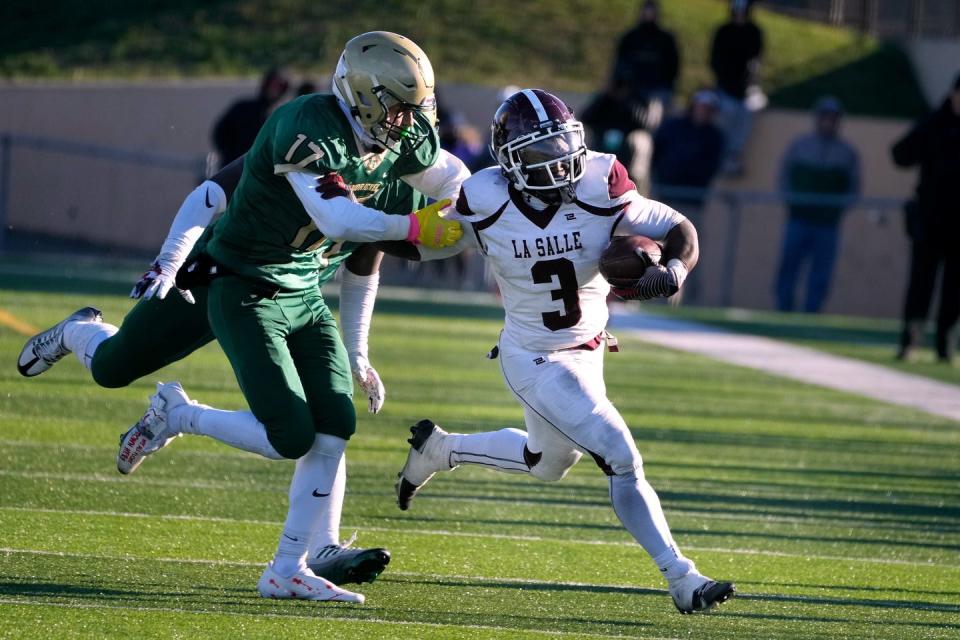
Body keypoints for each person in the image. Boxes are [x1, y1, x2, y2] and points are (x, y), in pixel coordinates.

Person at [18, 31, 469, 603]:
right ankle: (94, 342)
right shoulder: (306, 129)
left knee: (332, 426)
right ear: (363, 93)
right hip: (225, 279)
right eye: (398, 110)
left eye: (413, 112)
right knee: (113, 367)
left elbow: (403, 225)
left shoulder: (391, 151)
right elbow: (252, 202)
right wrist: (168, 260)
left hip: (299, 297)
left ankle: (299, 560)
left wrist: (480, 208)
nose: (407, 126)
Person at [395, 89, 735, 614]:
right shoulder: (483, 198)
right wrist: (357, 226)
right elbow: (417, 238)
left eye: (561, 145)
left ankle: (441, 450)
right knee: (621, 456)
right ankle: (681, 576)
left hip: (589, 349)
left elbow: (677, 228)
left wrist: (673, 270)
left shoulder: (602, 180)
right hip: (533, 356)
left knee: (546, 464)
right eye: (538, 153)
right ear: (509, 162)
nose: (556, 163)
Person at [891, 73, 960, 363]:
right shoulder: (934, 122)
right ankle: (910, 339)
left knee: (955, 288)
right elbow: (900, 154)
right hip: (930, 219)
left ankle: (945, 344)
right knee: (921, 283)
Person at [773, 97, 860, 313]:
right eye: (825, 117)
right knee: (789, 265)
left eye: (833, 118)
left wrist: (837, 208)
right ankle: (784, 308)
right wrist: (792, 201)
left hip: (827, 224)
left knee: (821, 272)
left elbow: (854, 186)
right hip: (798, 219)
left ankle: (812, 311)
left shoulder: (847, 152)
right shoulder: (800, 145)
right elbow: (784, 177)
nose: (828, 122)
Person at [651, 90, 725, 303]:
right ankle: (651, 296)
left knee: (687, 253)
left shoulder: (714, 136)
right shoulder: (673, 127)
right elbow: (658, 156)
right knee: (656, 252)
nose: (704, 112)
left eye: (709, 109)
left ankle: (685, 301)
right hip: (666, 199)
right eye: (702, 107)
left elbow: (708, 167)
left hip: (692, 203)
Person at [709, 0, 764, 175]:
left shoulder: (754, 32)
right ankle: (723, 155)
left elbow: (755, 61)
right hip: (725, 87)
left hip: (747, 89)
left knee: (750, 109)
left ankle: (734, 156)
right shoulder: (723, 32)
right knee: (728, 110)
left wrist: (748, 84)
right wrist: (727, 84)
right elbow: (716, 62)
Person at [211, 67, 290, 168]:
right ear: (266, 84)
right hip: (237, 167)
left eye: (279, 86)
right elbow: (220, 134)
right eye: (273, 84)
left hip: (266, 172)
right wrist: (231, 156)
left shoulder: (284, 114)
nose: (274, 89)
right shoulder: (243, 108)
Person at [610, 0, 680, 110]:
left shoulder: (666, 39)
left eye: (651, 11)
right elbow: (620, 63)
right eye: (647, 11)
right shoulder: (630, 37)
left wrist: (667, 84)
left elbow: (673, 66)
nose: (649, 14)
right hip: (632, 89)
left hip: (659, 89)